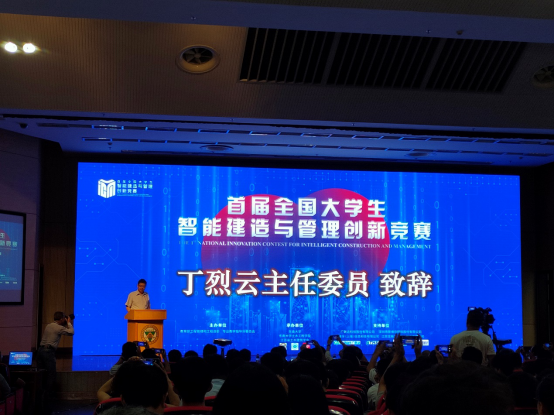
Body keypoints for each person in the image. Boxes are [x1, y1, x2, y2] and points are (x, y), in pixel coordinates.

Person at [37, 311, 75, 413]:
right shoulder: (58, 328)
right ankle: (47, 401)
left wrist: (65, 321)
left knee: (42, 376)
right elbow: (71, 332)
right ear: (61, 319)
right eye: (64, 318)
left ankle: (39, 401)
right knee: (51, 376)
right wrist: (69, 322)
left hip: (40, 352)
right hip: (48, 353)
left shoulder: (49, 325)